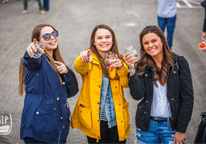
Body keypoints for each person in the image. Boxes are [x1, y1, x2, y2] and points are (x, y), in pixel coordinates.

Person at [124, 25, 194, 144]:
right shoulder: (141, 66)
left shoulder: (179, 63)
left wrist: (181, 130)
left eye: (154, 40)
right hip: (147, 127)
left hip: (172, 128)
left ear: (162, 40)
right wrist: (131, 70)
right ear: (143, 46)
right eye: (146, 43)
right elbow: (137, 95)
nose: (150, 45)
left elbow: (187, 98)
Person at [18, 23, 78, 143]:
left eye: (54, 33)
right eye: (46, 36)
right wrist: (33, 52)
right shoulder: (37, 60)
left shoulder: (57, 63)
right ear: (37, 41)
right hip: (39, 127)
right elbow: (32, 62)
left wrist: (67, 72)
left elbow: (72, 92)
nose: (52, 37)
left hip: (57, 127)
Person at [71, 24, 131, 143]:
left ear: (112, 40)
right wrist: (82, 59)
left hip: (116, 117)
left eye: (107, 37)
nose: (104, 40)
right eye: (99, 38)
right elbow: (79, 67)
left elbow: (126, 84)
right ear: (93, 42)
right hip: (95, 118)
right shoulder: (88, 58)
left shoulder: (119, 59)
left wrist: (122, 67)